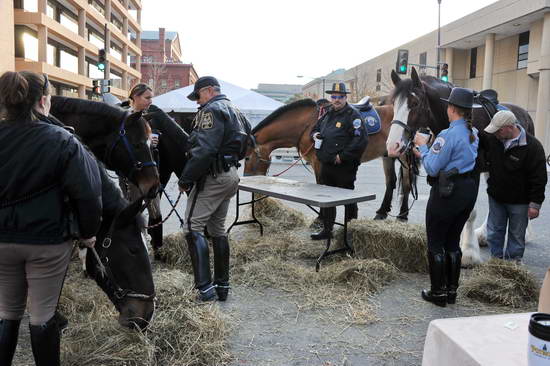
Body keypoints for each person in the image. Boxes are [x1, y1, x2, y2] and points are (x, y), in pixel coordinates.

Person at [0, 71, 102, 365]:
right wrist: (87, 232)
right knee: (42, 314)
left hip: (2, 241)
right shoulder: (62, 140)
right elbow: (88, 194)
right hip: (47, 241)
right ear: (43, 101)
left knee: (7, 312)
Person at [178, 76, 248, 301]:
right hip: (230, 175)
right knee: (217, 229)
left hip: (213, 176)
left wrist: (186, 179)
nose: (197, 102)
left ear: (208, 91)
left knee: (192, 227)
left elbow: (204, 150)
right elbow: (249, 143)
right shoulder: (235, 109)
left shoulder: (210, 110)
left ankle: (204, 289)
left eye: (198, 96)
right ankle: (222, 287)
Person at [412, 87, 479, 307]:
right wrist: (431, 150)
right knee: (453, 242)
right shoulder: (473, 133)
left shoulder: (447, 135)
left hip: (447, 192)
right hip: (467, 190)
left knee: (436, 243)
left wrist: (423, 149)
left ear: (451, 109)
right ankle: (451, 291)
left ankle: (437, 292)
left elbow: (432, 167)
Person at [481, 110, 546, 263]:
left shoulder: (533, 147)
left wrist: (535, 205)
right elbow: (479, 138)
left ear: (510, 127)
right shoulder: (494, 139)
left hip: (520, 202)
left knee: (516, 236)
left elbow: (539, 178)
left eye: (499, 130)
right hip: (496, 198)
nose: (495, 133)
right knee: (494, 232)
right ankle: (495, 262)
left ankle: (512, 265)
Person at [310, 83, 368, 240]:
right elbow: (314, 129)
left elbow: (360, 140)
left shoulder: (353, 115)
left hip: (344, 166)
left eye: (340, 97)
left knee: (348, 198)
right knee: (327, 199)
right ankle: (327, 230)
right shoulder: (327, 113)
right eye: (334, 97)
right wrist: (315, 135)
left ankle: (350, 232)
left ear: (345, 97)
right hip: (327, 163)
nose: (336, 100)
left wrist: (342, 156)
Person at [119, 83, 163, 253]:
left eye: (151, 97)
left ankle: (158, 247)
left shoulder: (148, 116)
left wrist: (154, 138)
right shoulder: (123, 117)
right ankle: (137, 249)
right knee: (134, 211)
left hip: (150, 173)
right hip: (132, 176)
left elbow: (155, 132)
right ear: (135, 97)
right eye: (147, 97)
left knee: (155, 210)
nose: (150, 101)